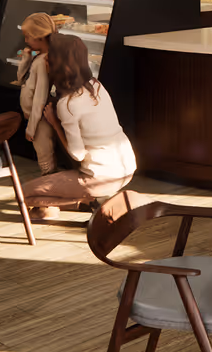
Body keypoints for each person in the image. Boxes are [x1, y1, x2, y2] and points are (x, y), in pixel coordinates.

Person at [22, 33, 135, 219]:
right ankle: (91, 200)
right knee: (52, 185)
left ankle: (90, 200)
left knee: (24, 194)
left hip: (99, 177)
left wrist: (54, 122)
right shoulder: (96, 86)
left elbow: (78, 154)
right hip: (127, 168)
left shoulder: (67, 104)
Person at [14, 13, 59, 174]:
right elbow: (20, 78)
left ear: (40, 37)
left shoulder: (43, 62)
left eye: (28, 37)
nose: (25, 41)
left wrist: (31, 128)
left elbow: (40, 96)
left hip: (40, 119)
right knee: (44, 150)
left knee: (44, 153)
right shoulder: (38, 56)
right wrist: (26, 58)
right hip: (35, 117)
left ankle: (48, 180)